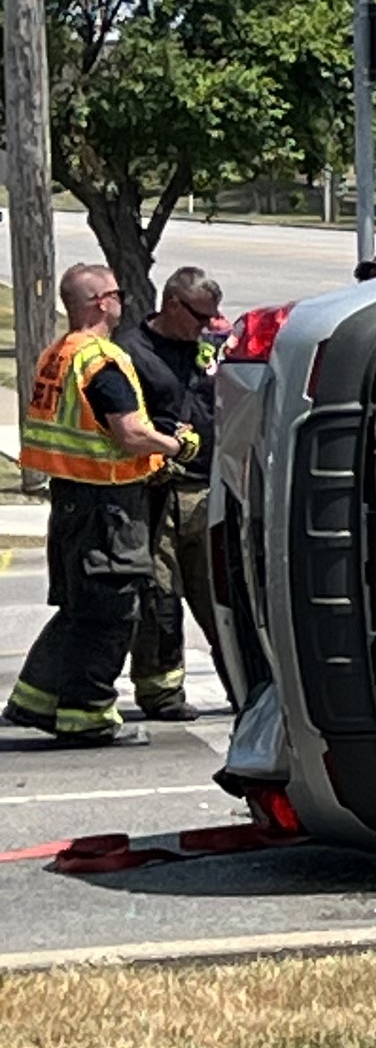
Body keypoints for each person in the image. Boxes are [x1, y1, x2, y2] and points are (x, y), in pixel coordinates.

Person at [10, 263, 192, 744]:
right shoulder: (100, 361)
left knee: (77, 608)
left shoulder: (58, 354)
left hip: (72, 499)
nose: (121, 301)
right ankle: (87, 715)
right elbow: (129, 432)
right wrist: (175, 446)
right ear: (97, 303)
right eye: (115, 293)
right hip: (106, 505)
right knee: (111, 610)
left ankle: (35, 698)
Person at [122, 266, 226, 721]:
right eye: (200, 317)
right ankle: (161, 693)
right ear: (171, 304)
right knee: (159, 597)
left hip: (210, 489)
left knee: (222, 595)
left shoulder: (211, 348)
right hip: (157, 492)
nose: (208, 326)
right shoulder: (131, 352)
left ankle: (252, 688)